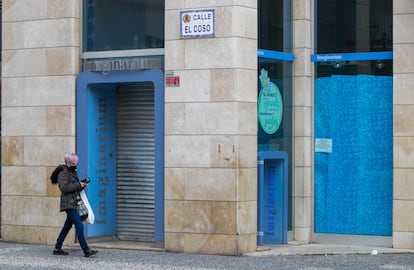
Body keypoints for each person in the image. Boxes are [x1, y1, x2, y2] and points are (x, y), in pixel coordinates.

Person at [53, 152, 98, 257]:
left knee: (67, 226)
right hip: (68, 203)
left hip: (74, 202)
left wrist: (82, 185)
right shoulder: (63, 173)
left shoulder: (72, 172)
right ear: (68, 163)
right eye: (73, 163)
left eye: (76, 163)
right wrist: (78, 184)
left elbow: (75, 188)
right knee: (79, 225)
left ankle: (57, 248)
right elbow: (64, 188)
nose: (75, 165)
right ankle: (86, 250)